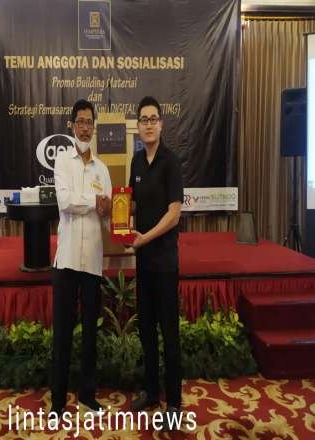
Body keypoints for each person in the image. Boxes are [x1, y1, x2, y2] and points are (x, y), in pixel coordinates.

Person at [50, 99, 112, 417]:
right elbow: (65, 201)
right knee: (62, 332)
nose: (85, 127)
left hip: (92, 262)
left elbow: (107, 215)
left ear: (94, 126)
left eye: (89, 122)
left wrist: (119, 220)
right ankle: (57, 401)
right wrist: (95, 201)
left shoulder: (103, 169)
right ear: (72, 125)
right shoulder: (63, 161)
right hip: (67, 260)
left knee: (90, 333)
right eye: (80, 122)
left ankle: (88, 396)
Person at [129, 96, 184, 431]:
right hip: (143, 263)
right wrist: (113, 209)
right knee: (147, 330)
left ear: (161, 124)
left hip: (164, 262)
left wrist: (144, 238)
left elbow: (174, 214)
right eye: (144, 119)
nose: (149, 124)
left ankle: (174, 402)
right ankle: (151, 392)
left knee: (169, 333)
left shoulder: (171, 162)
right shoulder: (136, 162)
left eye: (153, 119)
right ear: (138, 126)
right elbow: (133, 205)